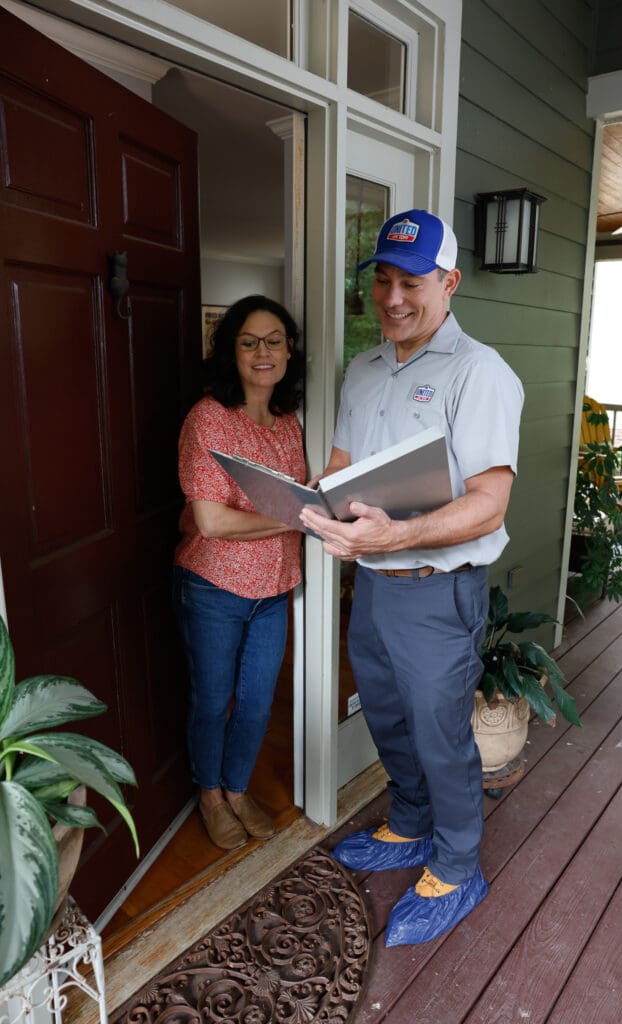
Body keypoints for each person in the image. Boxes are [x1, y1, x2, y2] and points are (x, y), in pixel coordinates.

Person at [299, 210, 524, 947]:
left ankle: (457, 866)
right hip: (373, 582)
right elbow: (341, 465)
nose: (393, 298)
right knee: (387, 714)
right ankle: (410, 821)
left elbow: (489, 504)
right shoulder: (365, 368)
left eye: (412, 283)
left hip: (436, 588)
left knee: (438, 732)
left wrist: (397, 534)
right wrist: (318, 506)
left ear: (448, 283)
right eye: (384, 281)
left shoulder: (478, 372)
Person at [174, 294, 305, 851]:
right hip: (214, 588)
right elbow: (211, 521)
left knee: (256, 703)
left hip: (274, 589)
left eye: (274, 341)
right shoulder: (208, 419)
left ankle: (237, 787)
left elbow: (303, 499)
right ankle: (210, 795)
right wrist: (296, 516)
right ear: (232, 351)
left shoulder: (290, 422)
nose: (262, 352)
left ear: (289, 350)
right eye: (249, 342)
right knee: (212, 700)